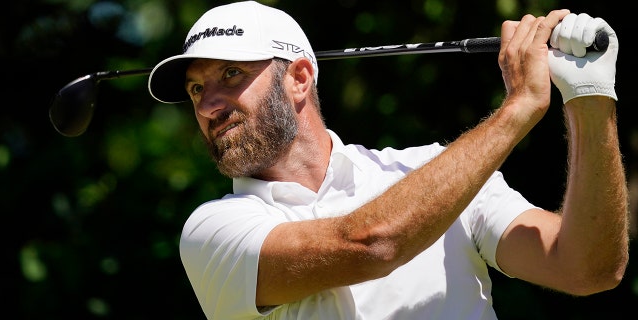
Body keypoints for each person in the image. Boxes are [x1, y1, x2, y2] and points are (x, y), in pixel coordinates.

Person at [147, 1, 629, 319]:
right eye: (196, 89)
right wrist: (519, 108)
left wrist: (590, 100)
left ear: (298, 78)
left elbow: (587, 268)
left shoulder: (436, 170)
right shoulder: (213, 231)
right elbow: (370, 244)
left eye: (230, 75)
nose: (208, 105)